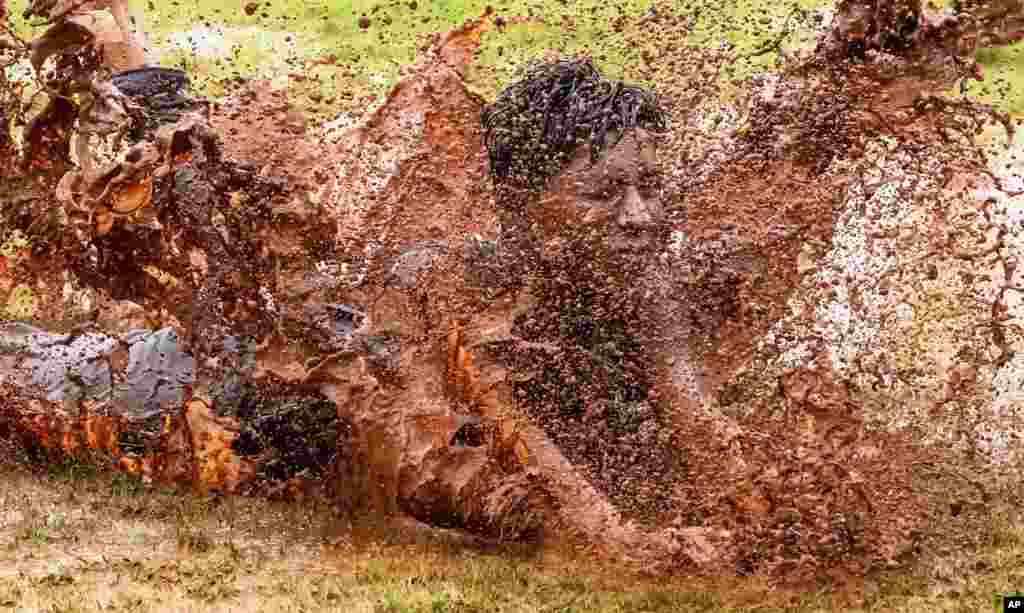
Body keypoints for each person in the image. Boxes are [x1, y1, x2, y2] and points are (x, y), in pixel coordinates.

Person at [328, 57, 723, 565]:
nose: (638, 218)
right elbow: (569, 505)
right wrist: (631, 544)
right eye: (602, 193)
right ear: (516, 205)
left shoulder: (646, 284)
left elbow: (702, 431)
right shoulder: (454, 288)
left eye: (648, 188)